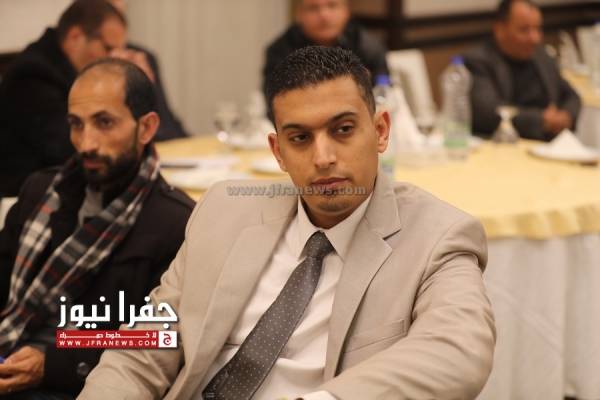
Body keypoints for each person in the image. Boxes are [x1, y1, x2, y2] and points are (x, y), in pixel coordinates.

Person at [78, 46, 494, 400]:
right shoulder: (223, 210)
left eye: (343, 130)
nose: (323, 157)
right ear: (278, 151)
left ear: (381, 130)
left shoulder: (438, 236)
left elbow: (458, 349)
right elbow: (145, 345)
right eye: (300, 139)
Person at [0, 58, 194, 399]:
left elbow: (158, 340)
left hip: (81, 385)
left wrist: (51, 364)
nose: (86, 142)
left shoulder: (175, 223)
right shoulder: (40, 191)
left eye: (104, 123)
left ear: (146, 128)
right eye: (76, 124)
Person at [0, 0, 186, 198]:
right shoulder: (32, 75)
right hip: (32, 195)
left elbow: (171, 134)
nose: (115, 58)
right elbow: (75, 151)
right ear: (75, 37)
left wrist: (141, 88)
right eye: (108, 49)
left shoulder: (128, 59)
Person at [463, 0, 581, 141]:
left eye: (538, 29)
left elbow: (571, 96)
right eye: (524, 30)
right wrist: (541, 119)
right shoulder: (478, 61)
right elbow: (487, 112)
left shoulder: (542, 57)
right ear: (500, 30)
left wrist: (565, 116)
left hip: (550, 143)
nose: (535, 38)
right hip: (505, 144)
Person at [262, 0, 389, 97]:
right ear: (299, 15)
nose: (324, 15)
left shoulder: (368, 45)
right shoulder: (279, 51)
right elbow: (272, 96)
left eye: (332, 5)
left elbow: (384, 85)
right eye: (313, 8)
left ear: (346, 11)